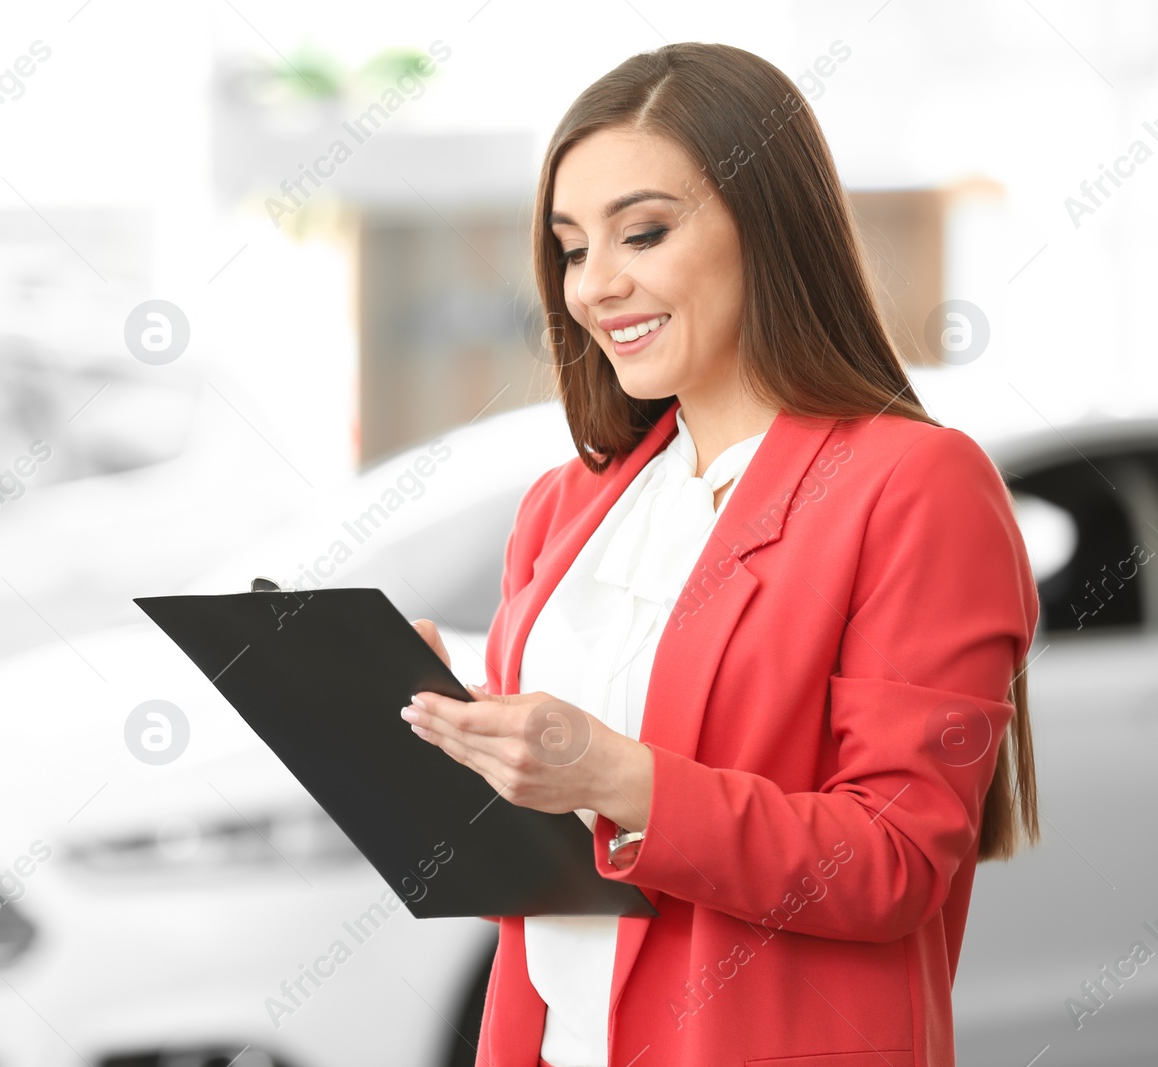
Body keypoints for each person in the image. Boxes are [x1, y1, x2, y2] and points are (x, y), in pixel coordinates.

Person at [401, 41, 1040, 1067]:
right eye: (569, 248)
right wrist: (445, 743)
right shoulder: (566, 506)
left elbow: (894, 860)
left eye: (641, 233)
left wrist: (615, 772)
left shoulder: (913, 484)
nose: (593, 286)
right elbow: (559, 883)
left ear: (769, 227)